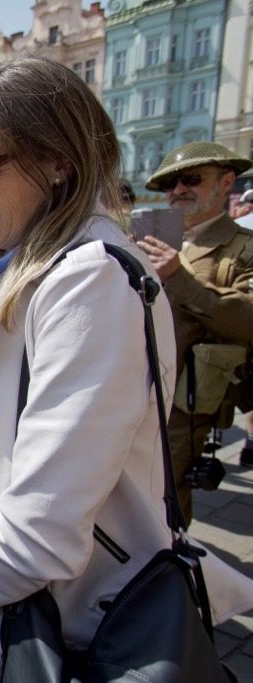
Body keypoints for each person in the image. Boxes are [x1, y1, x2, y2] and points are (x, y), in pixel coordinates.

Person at [0, 56, 183, 680]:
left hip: (65, 634)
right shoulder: (22, 270)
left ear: (57, 160)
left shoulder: (88, 279)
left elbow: (43, 532)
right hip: (10, 611)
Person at [136, 141, 253, 523]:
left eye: (191, 179)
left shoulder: (243, 247)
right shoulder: (154, 237)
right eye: (169, 184)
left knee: (163, 495)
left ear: (226, 182)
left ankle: (172, 558)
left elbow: (247, 319)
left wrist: (178, 276)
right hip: (132, 383)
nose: (178, 190)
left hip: (185, 400)